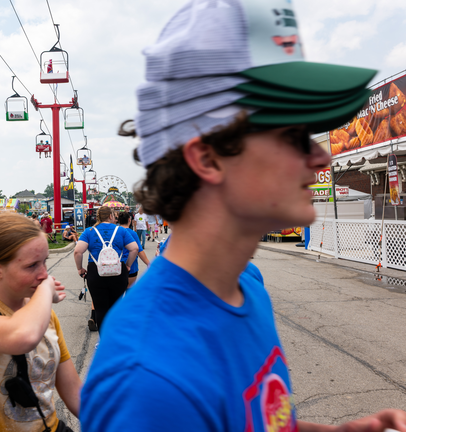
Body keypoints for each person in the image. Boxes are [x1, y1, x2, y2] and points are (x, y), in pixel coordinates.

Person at [80, 1, 406, 431]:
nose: (320, 156)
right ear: (209, 158)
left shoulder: (245, 283)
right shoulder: (147, 380)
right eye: (292, 134)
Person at [0, 213, 82, 431]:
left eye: (44, 262)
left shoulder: (43, 315)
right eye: (31, 266)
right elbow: (22, 336)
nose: (44, 274)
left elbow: (74, 392)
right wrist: (47, 290)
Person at [73, 206, 137, 333]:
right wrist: (128, 265)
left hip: (96, 273)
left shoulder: (89, 231)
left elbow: (77, 251)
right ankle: (115, 338)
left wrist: (80, 268)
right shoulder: (121, 231)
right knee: (116, 307)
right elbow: (134, 248)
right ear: (111, 216)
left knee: (100, 308)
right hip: (118, 272)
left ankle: (103, 341)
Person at [117, 212, 150, 288]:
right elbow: (139, 251)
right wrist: (148, 263)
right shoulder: (132, 233)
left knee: (118, 292)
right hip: (131, 267)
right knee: (129, 290)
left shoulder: (114, 232)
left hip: (117, 266)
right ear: (129, 220)